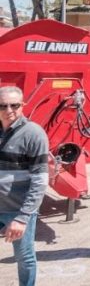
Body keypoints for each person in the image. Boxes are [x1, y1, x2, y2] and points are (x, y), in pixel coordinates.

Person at [0, 86, 48, 286]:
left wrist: (22, 217)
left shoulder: (33, 134)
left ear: (23, 106)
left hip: (17, 209)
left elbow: (39, 180)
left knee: (24, 257)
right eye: (3, 105)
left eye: (14, 105)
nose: (9, 109)